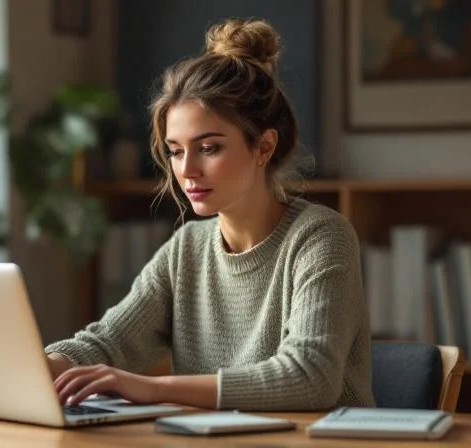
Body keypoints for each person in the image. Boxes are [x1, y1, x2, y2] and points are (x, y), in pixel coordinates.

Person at [45, 18, 375, 411]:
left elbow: (310, 378)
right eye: (176, 151)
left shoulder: (321, 237)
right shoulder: (187, 248)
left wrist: (156, 388)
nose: (186, 170)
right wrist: (36, 367)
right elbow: (106, 342)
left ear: (264, 147)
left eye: (208, 148)